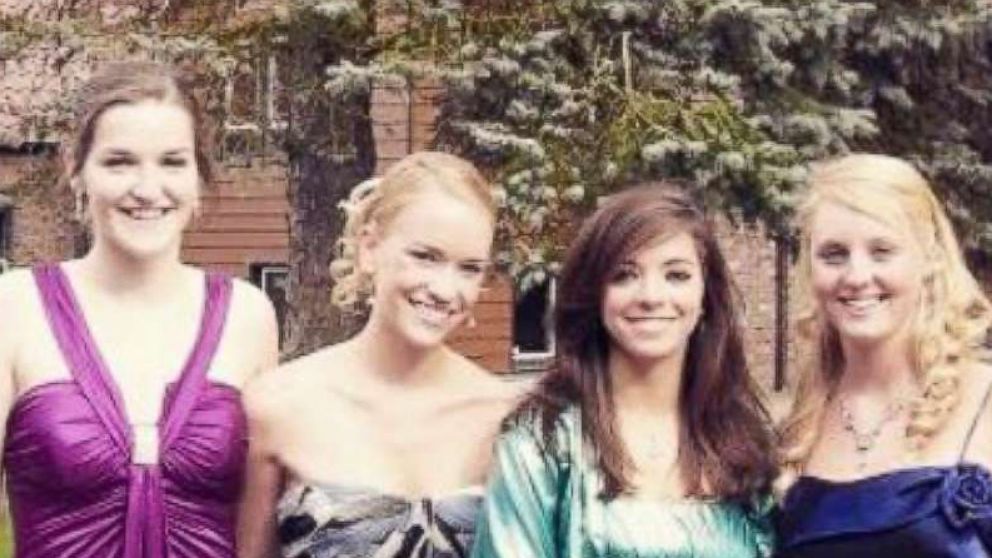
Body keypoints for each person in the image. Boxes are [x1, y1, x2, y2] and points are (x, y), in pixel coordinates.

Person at [0, 61, 279, 557]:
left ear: (199, 178)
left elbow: (259, 524)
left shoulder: (247, 316)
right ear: (78, 172)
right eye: (119, 162)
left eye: (172, 162)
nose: (148, 189)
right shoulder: (16, 308)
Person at [237, 151, 521, 558]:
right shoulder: (278, 405)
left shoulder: (508, 416)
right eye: (425, 257)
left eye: (469, 268)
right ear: (369, 248)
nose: (445, 289)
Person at [472, 184, 778, 558]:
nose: (650, 296)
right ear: (595, 295)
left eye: (676, 275)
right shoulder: (541, 443)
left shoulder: (744, 443)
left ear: (706, 298)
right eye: (624, 275)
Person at [775, 154, 992, 557]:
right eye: (834, 254)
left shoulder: (985, 399)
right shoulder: (797, 428)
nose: (856, 276)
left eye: (882, 251)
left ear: (929, 258)